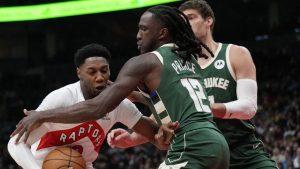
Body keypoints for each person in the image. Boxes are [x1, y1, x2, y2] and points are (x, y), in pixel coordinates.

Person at [11, 5, 230, 169]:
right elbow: (163, 109)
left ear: (161, 33)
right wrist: (158, 135)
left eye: (143, 29)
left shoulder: (145, 63)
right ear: (78, 73)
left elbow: (97, 108)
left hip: (191, 146)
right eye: (92, 72)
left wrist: (41, 115)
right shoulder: (188, 60)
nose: (137, 35)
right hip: (218, 144)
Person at [7, 43, 176, 169]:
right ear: (79, 73)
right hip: (42, 164)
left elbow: (157, 138)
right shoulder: (61, 98)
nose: (100, 77)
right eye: (92, 72)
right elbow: (15, 143)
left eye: (104, 70)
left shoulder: (119, 104)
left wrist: (162, 135)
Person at [179, 0, 278, 168]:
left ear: (208, 21)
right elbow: (166, 112)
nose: (186, 24)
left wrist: (207, 108)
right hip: (203, 157)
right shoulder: (179, 67)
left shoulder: (235, 53)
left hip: (243, 152)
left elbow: (249, 107)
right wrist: (134, 137)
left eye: (191, 18)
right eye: (182, 22)